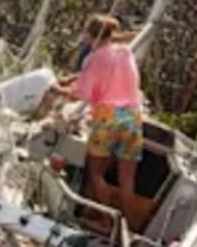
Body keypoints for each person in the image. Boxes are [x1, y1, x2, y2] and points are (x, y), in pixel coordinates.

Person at [52, 14, 144, 232]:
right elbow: (110, 63)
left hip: (106, 118)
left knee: (96, 174)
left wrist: (58, 89)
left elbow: (82, 95)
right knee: (127, 179)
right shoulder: (125, 52)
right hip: (132, 116)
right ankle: (127, 227)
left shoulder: (92, 59)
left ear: (89, 35)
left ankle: (106, 223)